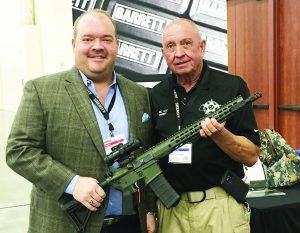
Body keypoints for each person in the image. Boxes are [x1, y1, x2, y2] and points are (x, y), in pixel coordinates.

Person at [6, 9, 156, 233]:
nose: (98, 46)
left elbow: (149, 157)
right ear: (74, 43)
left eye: (106, 39)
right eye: (88, 39)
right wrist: (72, 183)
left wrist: (149, 210)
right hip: (65, 225)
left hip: (129, 224)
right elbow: (19, 151)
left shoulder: (139, 94)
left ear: (118, 45)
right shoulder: (42, 90)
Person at [149, 18, 260, 233]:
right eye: (170, 46)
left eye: (186, 43)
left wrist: (220, 134)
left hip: (220, 208)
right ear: (164, 54)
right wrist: (149, 211)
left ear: (202, 47)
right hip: (171, 209)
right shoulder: (156, 94)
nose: (179, 53)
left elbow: (251, 155)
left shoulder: (231, 87)